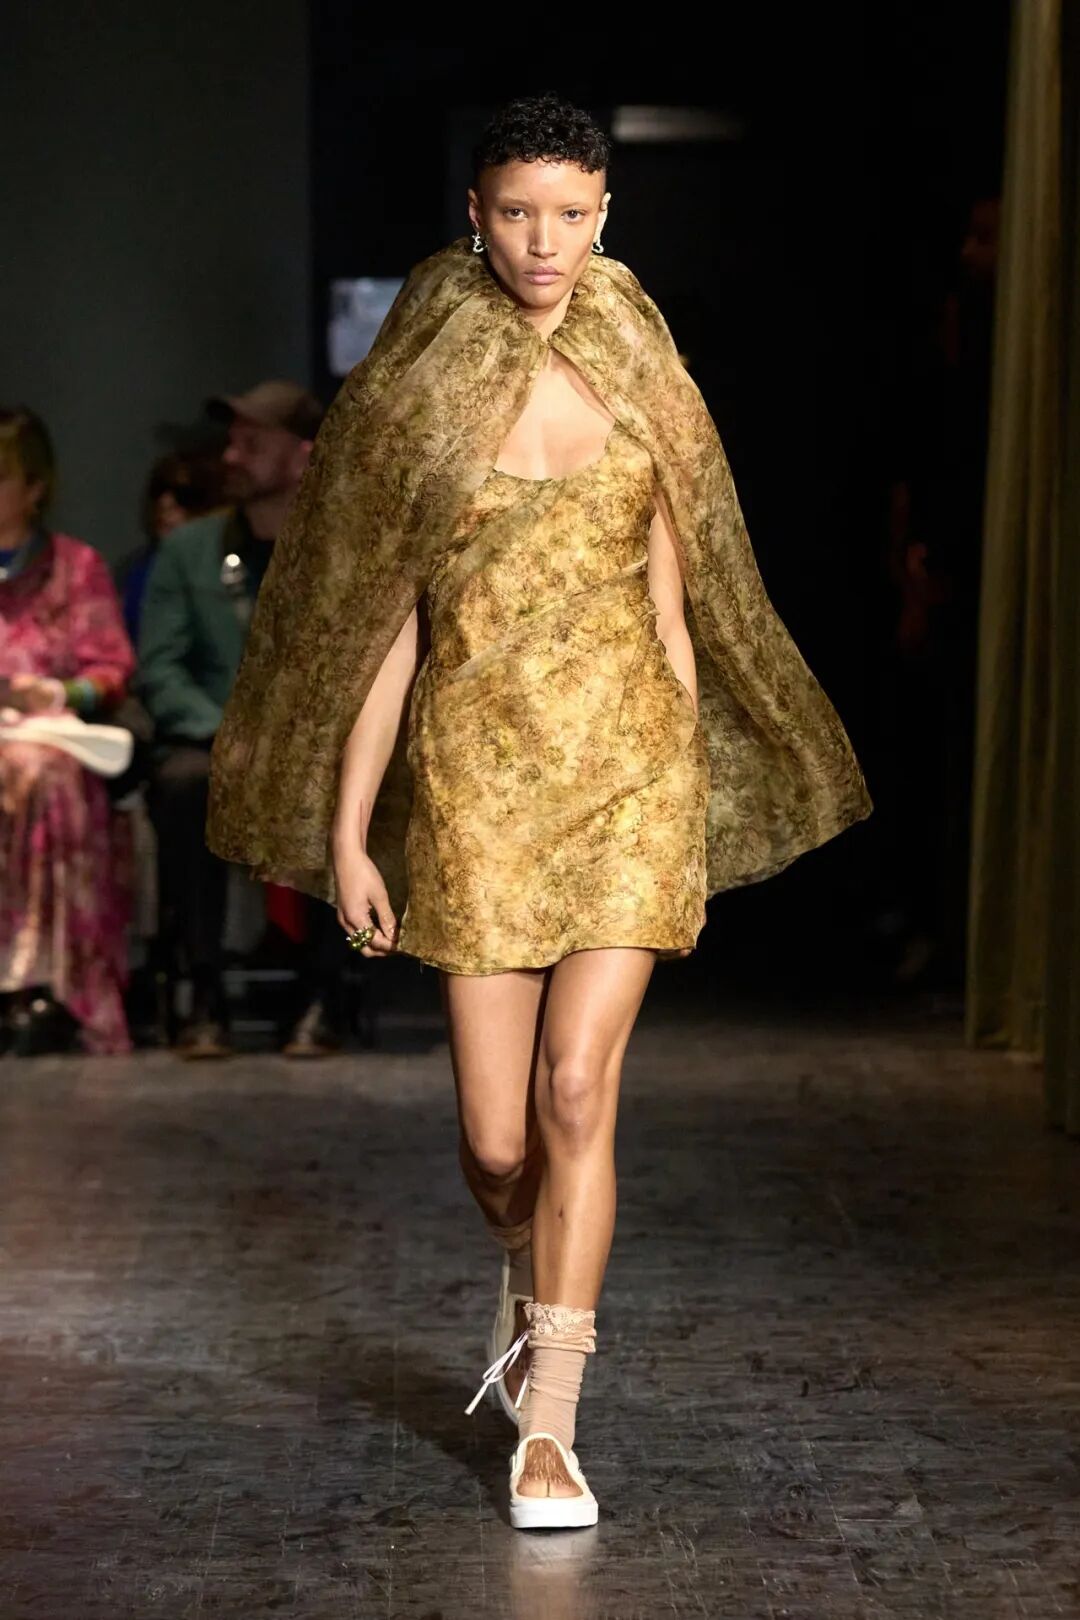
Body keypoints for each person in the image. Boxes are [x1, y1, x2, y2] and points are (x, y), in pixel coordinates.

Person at [206, 97, 872, 1527]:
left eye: (571, 214)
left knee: (579, 1090)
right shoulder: (422, 387)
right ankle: (520, 1276)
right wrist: (348, 832)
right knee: (499, 1142)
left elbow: (676, 604)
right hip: (477, 788)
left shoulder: (644, 367)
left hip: (629, 774)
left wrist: (687, 787)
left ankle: (552, 1422)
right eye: (517, 212)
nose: (544, 241)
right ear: (475, 214)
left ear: (606, 215)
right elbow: (388, 627)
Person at [138, 380, 347, 1059]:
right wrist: (229, 735)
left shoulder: (343, 549)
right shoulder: (190, 550)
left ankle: (320, 995)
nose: (232, 455)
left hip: (311, 745)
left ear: (303, 453)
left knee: (334, 786)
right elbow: (161, 668)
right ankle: (205, 995)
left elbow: (360, 665)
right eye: (232, 440)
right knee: (184, 783)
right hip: (212, 739)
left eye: (252, 441)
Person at [0, 406, 136, 1055]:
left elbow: (110, 669)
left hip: (48, 738)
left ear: (34, 487)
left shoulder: (73, 567)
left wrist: (55, 693)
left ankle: (38, 981)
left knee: (35, 771)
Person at [116, 447, 225, 645]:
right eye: (158, 491)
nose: (165, 503)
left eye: (183, 494)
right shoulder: (134, 568)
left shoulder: (228, 569)